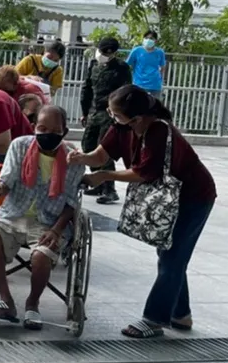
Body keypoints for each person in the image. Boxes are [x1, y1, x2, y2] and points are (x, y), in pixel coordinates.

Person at [72, 85, 216, 339]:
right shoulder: (122, 127)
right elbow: (100, 156)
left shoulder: (158, 131)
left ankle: (154, 319)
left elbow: (143, 173)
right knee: (170, 255)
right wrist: (80, 158)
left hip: (193, 197)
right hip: (173, 197)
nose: (112, 118)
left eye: (116, 114)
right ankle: (181, 314)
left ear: (137, 118)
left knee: (172, 257)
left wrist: (104, 175)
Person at [0, 104, 85, 328]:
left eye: (54, 131)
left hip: (50, 221)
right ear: (34, 127)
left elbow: (71, 203)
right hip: (14, 213)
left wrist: (56, 230)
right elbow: (6, 180)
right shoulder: (20, 145)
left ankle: (32, 304)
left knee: (41, 256)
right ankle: (6, 300)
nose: (47, 134)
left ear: (64, 132)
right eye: (42, 129)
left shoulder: (73, 159)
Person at [79, 36, 133, 205]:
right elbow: (87, 88)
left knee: (104, 150)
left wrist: (120, 115)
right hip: (93, 112)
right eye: (102, 51)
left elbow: (125, 93)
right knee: (87, 145)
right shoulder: (93, 65)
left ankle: (110, 189)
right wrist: (85, 112)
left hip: (110, 114)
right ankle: (99, 182)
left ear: (114, 53)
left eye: (107, 53)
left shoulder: (122, 68)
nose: (103, 55)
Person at [126, 29, 167, 100]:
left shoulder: (160, 52)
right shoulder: (136, 51)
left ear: (156, 40)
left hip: (155, 85)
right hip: (139, 85)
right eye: (146, 38)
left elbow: (162, 67)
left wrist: (161, 81)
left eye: (151, 38)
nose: (148, 40)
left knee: (155, 106)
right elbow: (127, 65)